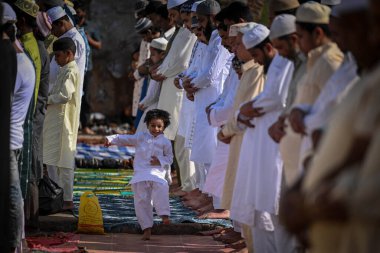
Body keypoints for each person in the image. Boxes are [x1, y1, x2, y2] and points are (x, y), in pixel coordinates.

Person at [233, 23, 294, 252]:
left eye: (257, 55)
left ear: (270, 47)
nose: (256, 61)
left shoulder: (284, 62)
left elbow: (276, 98)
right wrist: (243, 112)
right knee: (261, 212)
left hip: (275, 151)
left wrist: (247, 109)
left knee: (276, 211)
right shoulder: (274, 64)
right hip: (261, 151)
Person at [105, 109, 173, 241]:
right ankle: (146, 228)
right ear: (147, 124)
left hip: (157, 174)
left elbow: (170, 158)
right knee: (141, 201)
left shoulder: (166, 142)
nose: (156, 129)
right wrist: (110, 139)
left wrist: (160, 160)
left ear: (164, 126)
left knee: (161, 187)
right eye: (153, 125)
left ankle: (164, 213)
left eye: (159, 126)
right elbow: (125, 138)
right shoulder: (140, 137)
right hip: (140, 174)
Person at [3, 3, 36, 251]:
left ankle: (15, 243)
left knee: (12, 194)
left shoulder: (15, 61)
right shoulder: (18, 57)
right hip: (12, 137)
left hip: (9, 138)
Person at [267, 14, 307, 186]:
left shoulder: (315, 62)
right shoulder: (295, 62)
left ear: (293, 39)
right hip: (289, 143)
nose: (280, 54)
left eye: (281, 47)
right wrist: (283, 117)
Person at [43, 37, 81, 211]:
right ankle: (57, 197)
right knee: (52, 160)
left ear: (69, 54)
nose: (56, 59)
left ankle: (66, 200)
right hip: (56, 121)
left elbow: (64, 95)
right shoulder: (65, 69)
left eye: (58, 55)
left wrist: (46, 99)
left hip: (63, 123)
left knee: (64, 163)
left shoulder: (71, 71)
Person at [136, 37, 168, 133]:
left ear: (162, 55)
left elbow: (153, 94)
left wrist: (143, 103)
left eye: (153, 55)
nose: (150, 58)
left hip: (156, 106)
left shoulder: (158, 69)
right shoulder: (163, 67)